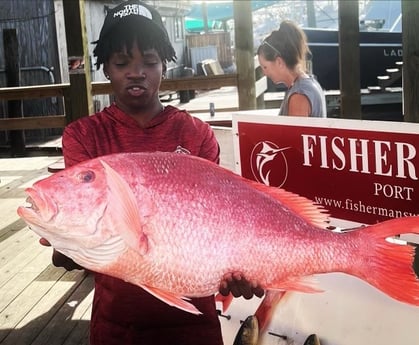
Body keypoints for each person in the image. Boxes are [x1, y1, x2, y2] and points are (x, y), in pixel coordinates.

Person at [40, 1, 263, 344]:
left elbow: (220, 222)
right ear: (105, 68)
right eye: (121, 62)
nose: (136, 71)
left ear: (164, 65)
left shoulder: (196, 134)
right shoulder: (83, 136)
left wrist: (239, 268)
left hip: (195, 326)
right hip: (117, 327)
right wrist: (66, 247)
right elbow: (91, 237)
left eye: (150, 61)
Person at [257, 20, 327, 117]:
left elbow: (295, 132)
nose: (264, 73)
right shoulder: (307, 83)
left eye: (265, 67)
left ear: (279, 62)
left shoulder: (298, 95)